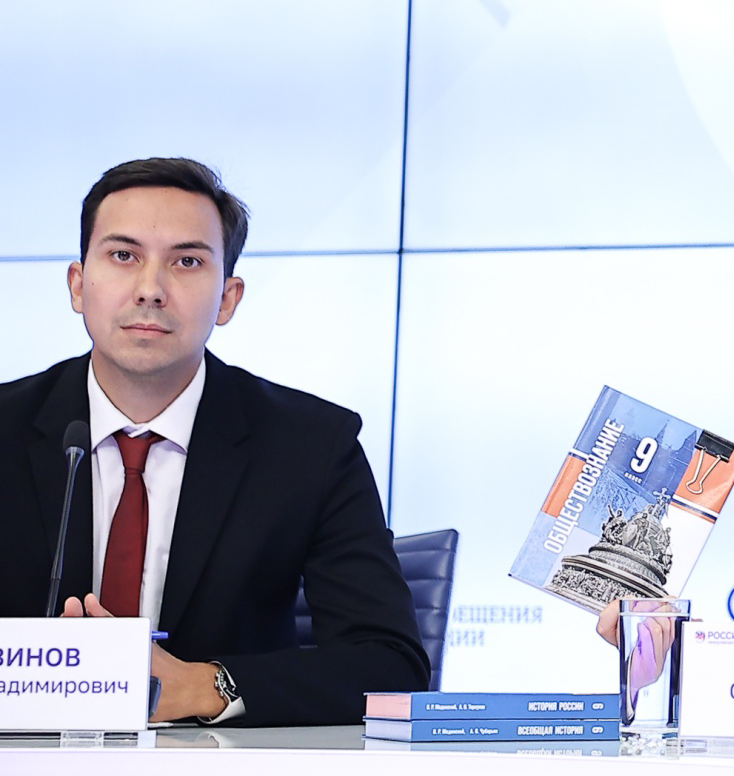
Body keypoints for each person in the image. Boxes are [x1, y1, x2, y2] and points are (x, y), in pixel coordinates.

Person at [0, 158, 427, 725]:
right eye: (124, 256)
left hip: (223, 771)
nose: (150, 290)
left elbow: (391, 664)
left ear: (227, 298)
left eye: (187, 262)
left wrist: (207, 686)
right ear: (78, 285)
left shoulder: (311, 446)